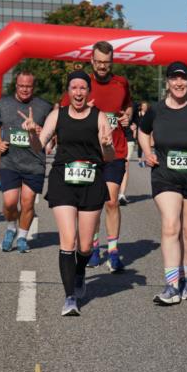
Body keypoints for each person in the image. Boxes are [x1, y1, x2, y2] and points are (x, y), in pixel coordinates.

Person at [33, 70, 114, 315]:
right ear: (68, 91)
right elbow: (39, 146)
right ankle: (70, 298)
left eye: (82, 88)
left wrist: (107, 145)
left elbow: (109, 157)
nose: (78, 92)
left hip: (91, 182)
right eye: (74, 88)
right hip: (63, 180)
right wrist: (31, 134)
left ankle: (79, 272)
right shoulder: (57, 115)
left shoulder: (99, 117)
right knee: (68, 240)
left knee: (85, 246)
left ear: (88, 91)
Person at [138, 61, 187, 304]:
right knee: (171, 226)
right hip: (165, 176)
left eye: (183, 78)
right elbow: (142, 131)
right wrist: (147, 152)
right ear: (168, 82)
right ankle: (171, 285)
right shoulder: (156, 110)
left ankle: (184, 279)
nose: (179, 83)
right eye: (174, 78)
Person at [60, 42, 132, 273]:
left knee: (111, 200)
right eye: (98, 62)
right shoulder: (82, 85)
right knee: (92, 203)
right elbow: (63, 113)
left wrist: (127, 117)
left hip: (115, 151)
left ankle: (113, 251)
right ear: (92, 61)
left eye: (106, 63)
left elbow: (128, 107)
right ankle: (93, 247)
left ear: (112, 62)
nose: (102, 66)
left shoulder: (121, 83)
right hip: (88, 154)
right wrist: (82, 109)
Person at [0, 71, 52, 253]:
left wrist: (40, 131)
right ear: (16, 85)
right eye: (21, 86)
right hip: (10, 161)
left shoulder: (44, 106)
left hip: (34, 162)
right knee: (10, 202)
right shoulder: (3, 103)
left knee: (27, 202)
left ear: (34, 87)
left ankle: (23, 237)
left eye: (28, 86)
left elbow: (52, 131)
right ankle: (11, 228)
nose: (25, 89)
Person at [136, 101, 150, 167]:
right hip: (139, 131)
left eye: (145, 106)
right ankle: (139, 160)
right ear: (141, 107)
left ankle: (145, 160)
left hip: (147, 131)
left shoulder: (148, 114)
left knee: (146, 146)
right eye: (143, 106)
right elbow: (136, 122)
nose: (144, 107)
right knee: (140, 145)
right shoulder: (138, 113)